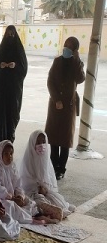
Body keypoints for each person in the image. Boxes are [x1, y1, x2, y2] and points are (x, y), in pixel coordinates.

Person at [45, 36, 85, 179]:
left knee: (65, 139)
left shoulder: (76, 63)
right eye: (65, 45)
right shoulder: (57, 61)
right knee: (54, 137)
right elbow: (50, 81)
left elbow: (81, 79)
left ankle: (61, 169)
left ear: (74, 50)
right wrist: (56, 99)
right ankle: (53, 165)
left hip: (69, 106)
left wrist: (77, 60)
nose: (66, 48)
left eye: (69, 47)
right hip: (56, 105)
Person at [20, 130, 75, 218]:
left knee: (56, 198)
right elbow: (26, 181)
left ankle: (57, 210)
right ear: (32, 143)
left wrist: (45, 188)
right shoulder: (28, 160)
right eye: (38, 142)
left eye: (43, 142)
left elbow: (48, 177)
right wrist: (37, 188)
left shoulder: (45, 159)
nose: (41, 145)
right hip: (31, 192)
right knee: (37, 203)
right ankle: (51, 212)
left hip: (44, 191)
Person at [0, 25, 28, 144]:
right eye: (8, 34)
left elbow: (24, 68)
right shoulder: (1, 50)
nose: (10, 37)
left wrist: (15, 66)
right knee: (0, 117)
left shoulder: (19, 50)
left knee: (12, 117)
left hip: (13, 91)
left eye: (12, 34)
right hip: (1, 91)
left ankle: (9, 144)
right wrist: (0, 66)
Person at [0, 140, 40, 224]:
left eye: (11, 153)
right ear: (0, 154)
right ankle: (30, 218)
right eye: (6, 154)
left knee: (29, 201)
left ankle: (31, 215)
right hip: (2, 198)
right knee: (9, 206)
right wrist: (12, 198)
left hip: (14, 197)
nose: (9, 156)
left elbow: (18, 184)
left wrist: (19, 196)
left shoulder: (13, 166)